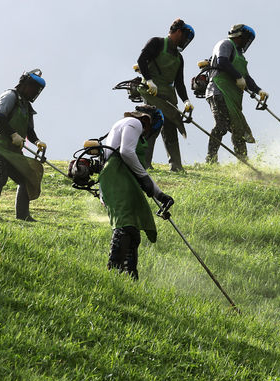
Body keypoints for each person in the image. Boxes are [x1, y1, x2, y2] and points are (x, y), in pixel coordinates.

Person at [98, 104, 174, 280]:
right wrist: (145, 180)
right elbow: (126, 152)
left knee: (133, 231)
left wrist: (160, 195)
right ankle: (114, 271)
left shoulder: (132, 129)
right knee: (125, 225)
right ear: (150, 121)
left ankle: (130, 276)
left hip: (126, 178)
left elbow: (138, 169)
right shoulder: (134, 123)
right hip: (116, 176)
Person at [0, 69, 47, 221]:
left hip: (13, 150)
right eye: (33, 87)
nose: (34, 92)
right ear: (24, 84)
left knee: (26, 177)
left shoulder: (27, 107)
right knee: (0, 177)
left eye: (37, 90)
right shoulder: (9, 96)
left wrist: (37, 141)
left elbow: (29, 130)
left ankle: (23, 215)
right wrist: (12, 134)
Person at [136, 18, 195, 172]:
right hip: (152, 92)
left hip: (168, 95)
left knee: (171, 128)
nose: (185, 41)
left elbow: (179, 83)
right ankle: (144, 164)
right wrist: (149, 80)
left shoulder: (178, 58)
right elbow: (141, 60)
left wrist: (186, 100)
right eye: (185, 37)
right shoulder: (157, 43)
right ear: (178, 32)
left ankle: (176, 166)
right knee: (153, 124)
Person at [204, 24, 268, 163]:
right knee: (221, 125)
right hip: (218, 90)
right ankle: (211, 159)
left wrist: (258, 90)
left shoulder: (240, 56)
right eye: (247, 39)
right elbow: (222, 61)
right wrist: (238, 77)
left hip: (232, 96)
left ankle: (243, 161)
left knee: (238, 128)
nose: (247, 43)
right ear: (240, 36)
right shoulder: (226, 44)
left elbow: (247, 78)